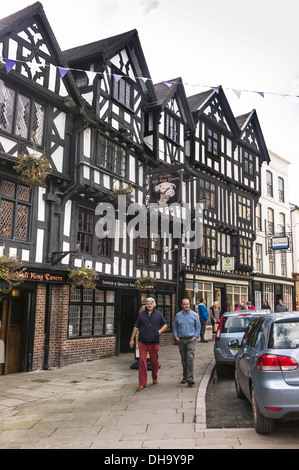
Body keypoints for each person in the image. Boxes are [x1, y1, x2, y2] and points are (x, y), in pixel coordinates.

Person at [129, 297, 167, 391]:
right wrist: (132, 339)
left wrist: (159, 332)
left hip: (154, 342)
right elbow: (136, 327)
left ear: (154, 305)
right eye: (147, 303)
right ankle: (142, 384)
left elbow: (165, 325)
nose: (149, 305)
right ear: (145, 305)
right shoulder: (141, 315)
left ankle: (155, 377)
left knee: (154, 362)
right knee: (142, 362)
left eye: (151, 303)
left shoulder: (159, 314)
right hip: (142, 341)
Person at [174, 298, 200, 387]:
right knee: (184, 359)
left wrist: (195, 336)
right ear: (182, 305)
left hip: (191, 340)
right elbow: (175, 326)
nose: (186, 306)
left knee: (190, 358)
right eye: (185, 304)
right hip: (181, 340)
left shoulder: (194, 315)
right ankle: (185, 377)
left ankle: (190, 378)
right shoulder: (178, 315)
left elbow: (198, 327)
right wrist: (176, 336)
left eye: (188, 304)